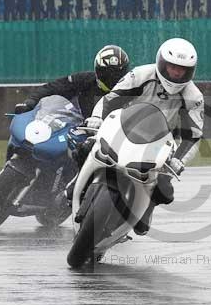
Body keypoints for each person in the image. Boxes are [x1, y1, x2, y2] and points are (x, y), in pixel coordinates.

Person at [85, 37, 204, 235]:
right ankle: (76, 185)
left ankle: (145, 208)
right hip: (124, 127)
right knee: (86, 147)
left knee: (164, 189)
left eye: (182, 69)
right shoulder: (140, 74)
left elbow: (194, 135)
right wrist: (96, 118)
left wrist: (178, 161)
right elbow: (110, 100)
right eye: (173, 67)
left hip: (162, 142)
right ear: (162, 63)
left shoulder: (194, 96)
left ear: (190, 71)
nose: (176, 72)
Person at [14, 44, 130, 118]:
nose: (113, 79)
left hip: (118, 137)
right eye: (108, 74)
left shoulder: (133, 85)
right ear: (97, 71)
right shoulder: (85, 80)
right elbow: (52, 88)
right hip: (84, 132)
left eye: (117, 74)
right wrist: (30, 101)